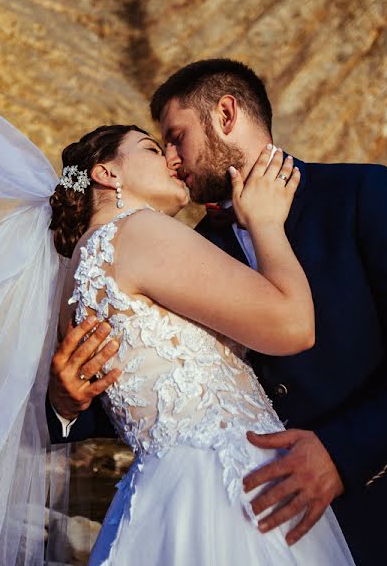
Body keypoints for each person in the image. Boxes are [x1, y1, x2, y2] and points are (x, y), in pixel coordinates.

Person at [47, 59, 387, 565]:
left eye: (176, 137)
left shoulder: (358, 195)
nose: (172, 158)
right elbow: (164, 396)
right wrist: (65, 407)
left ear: (226, 113)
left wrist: (341, 454)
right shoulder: (188, 247)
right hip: (238, 525)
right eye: (160, 146)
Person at [47, 122, 355, 564]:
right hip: (227, 488)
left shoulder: (77, 275)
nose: (173, 159)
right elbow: (292, 324)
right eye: (152, 149)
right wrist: (267, 223)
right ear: (106, 174)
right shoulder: (138, 231)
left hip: (160, 493)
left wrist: (62, 406)